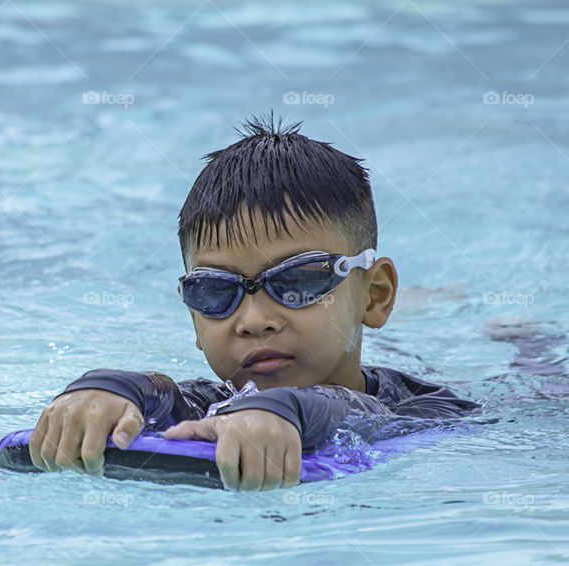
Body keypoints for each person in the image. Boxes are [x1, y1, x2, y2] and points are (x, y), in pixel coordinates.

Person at [28, 113, 480, 491]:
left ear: (374, 296)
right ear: (193, 317)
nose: (254, 320)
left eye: (299, 280)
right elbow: (170, 398)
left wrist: (283, 410)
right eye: (214, 290)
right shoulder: (216, 405)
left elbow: (356, 414)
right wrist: (108, 389)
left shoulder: (435, 412)